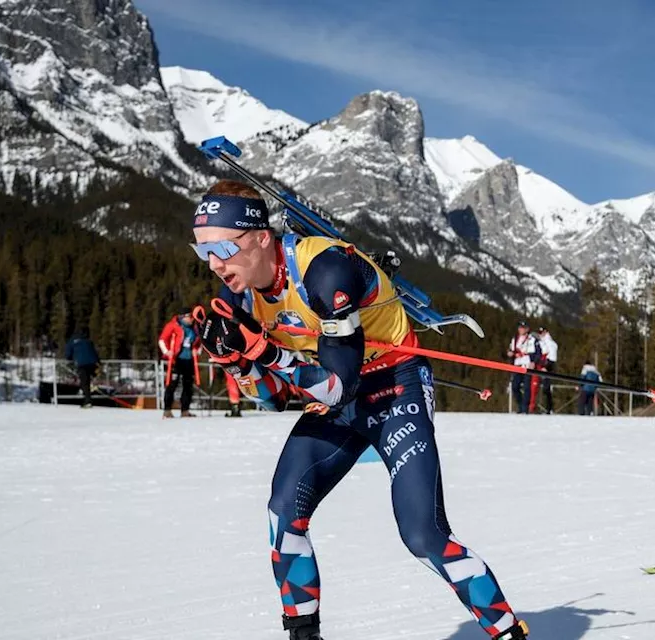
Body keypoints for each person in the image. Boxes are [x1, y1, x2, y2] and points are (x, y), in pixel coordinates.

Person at [187, 180, 528, 640]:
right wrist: (237, 364)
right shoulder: (239, 296)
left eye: (223, 247)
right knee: (284, 511)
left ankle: (509, 633)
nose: (213, 263)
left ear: (261, 238)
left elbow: (339, 388)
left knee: (423, 536)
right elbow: (269, 397)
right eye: (202, 250)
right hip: (334, 395)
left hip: (394, 387)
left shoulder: (324, 269)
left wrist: (265, 354)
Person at [158, 308, 202, 418]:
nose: (192, 319)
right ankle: (167, 410)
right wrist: (166, 351)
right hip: (176, 359)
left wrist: (197, 349)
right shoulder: (173, 325)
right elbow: (162, 339)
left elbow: (199, 340)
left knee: (188, 385)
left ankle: (185, 410)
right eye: (190, 317)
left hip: (189, 359)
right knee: (172, 384)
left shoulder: (194, 328)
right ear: (183, 317)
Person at [506, 321, 539, 414]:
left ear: (527, 329)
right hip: (517, 364)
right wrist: (510, 354)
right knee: (515, 386)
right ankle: (520, 405)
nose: (521, 329)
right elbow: (511, 349)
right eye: (520, 327)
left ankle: (525, 408)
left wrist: (533, 362)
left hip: (527, 364)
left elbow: (537, 352)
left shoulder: (532, 339)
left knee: (527, 387)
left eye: (523, 328)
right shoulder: (515, 339)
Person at [63, 330, 99, 409]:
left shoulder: (72, 341)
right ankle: (94, 386)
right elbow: (94, 351)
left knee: (84, 382)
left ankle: (88, 401)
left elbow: (68, 354)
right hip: (93, 362)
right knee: (89, 380)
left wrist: (70, 358)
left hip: (82, 363)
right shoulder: (87, 340)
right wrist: (98, 362)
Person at [535, 327, 558, 414]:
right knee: (541, 387)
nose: (541, 334)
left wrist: (546, 367)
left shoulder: (549, 342)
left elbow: (552, 357)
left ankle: (549, 408)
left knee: (546, 388)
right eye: (540, 332)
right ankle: (544, 407)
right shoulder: (542, 341)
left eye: (543, 332)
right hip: (542, 364)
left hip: (547, 366)